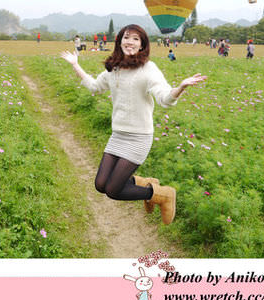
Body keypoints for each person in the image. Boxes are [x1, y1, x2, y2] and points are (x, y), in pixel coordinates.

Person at [60, 24, 207, 225]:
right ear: (119, 41)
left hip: (139, 137)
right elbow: (95, 87)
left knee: (113, 190)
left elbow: (165, 99)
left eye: (136, 39)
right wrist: (75, 65)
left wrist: (180, 87)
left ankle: (163, 195)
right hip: (118, 135)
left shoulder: (148, 69)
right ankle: (145, 184)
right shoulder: (114, 69)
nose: (130, 42)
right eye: (126, 37)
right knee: (101, 184)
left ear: (142, 45)